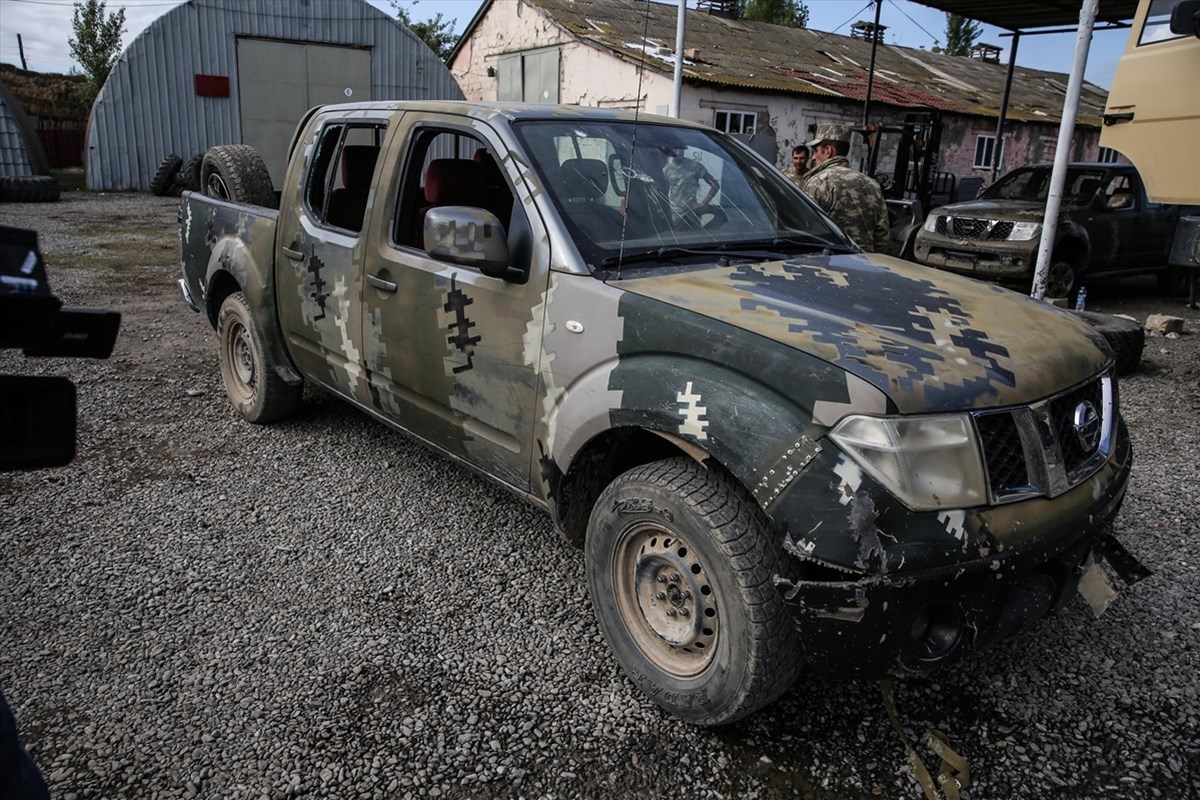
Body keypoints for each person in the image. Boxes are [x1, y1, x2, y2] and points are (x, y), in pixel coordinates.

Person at [801, 123, 890, 252]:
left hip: (829, 263)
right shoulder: (872, 184)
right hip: (865, 263)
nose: (813, 157)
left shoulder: (819, 182)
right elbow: (882, 234)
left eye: (815, 151)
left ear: (828, 151)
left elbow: (806, 229)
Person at [662, 146, 720, 225]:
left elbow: (715, 185)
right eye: (676, 148)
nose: (679, 152)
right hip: (673, 214)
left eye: (681, 149)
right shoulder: (665, 169)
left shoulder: (694, 166)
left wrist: (703, 204)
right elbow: (662, 191)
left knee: (694, 234)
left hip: (691, 213)